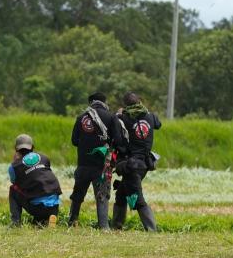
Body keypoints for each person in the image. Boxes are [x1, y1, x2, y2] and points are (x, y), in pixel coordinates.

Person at [68, 91, 123, 230]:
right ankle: (103, 226)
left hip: (83, 164)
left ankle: (73, 222)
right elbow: (119, 140)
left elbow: (74, 141)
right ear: (104, 102)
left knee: (77, 195)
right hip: (102, 166)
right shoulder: (110, 117)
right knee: (102, 196)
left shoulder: (81, 117)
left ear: (91, 103)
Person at [112, 91, 162, 231]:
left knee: (137, 199)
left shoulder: (124, 118)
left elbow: (115, 123)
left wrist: (119, 113)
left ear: (125, 105)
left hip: (131, 165)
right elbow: (158, 124)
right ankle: (116, 226)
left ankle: (152, 229)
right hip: (145, 164)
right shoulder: (150, 116)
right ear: (139, 102)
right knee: (121, 193)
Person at [8, 133, 62, 227]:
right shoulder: (44, 157)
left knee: (13, 189)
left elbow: (15, 182)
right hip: (55, 206)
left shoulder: (14, 166)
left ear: (16, 149)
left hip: (37, 208)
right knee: (40, 193)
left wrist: (15, 161)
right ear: (32, 147)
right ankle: (47, 218)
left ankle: (15, 222)